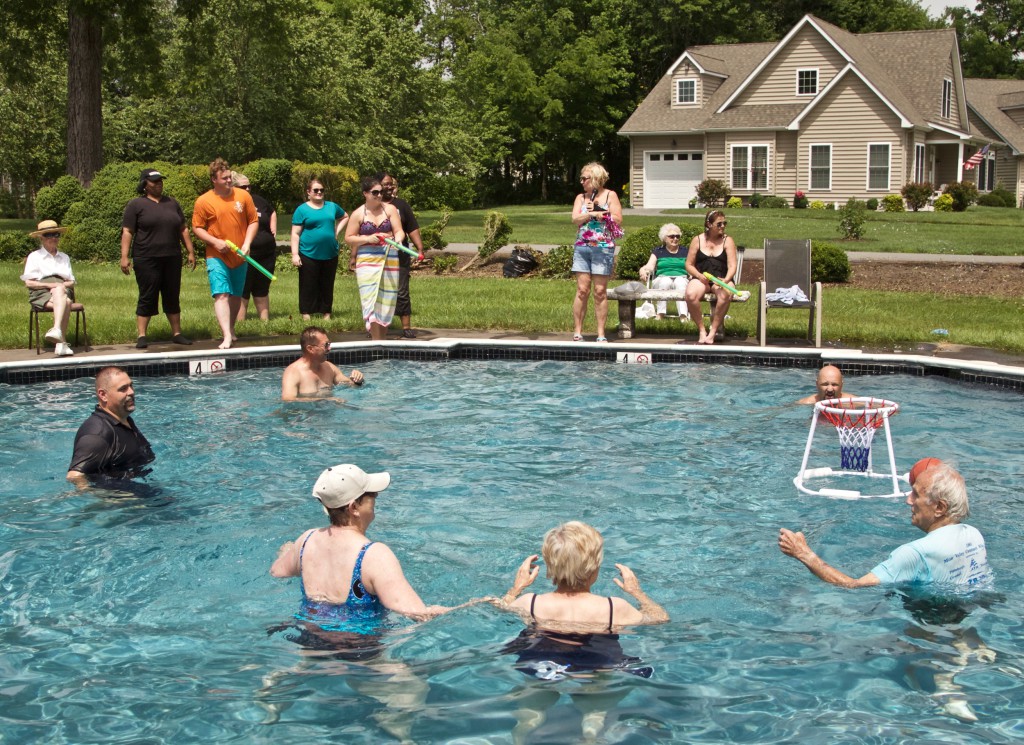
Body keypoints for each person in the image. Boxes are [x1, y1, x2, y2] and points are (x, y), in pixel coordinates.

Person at [498, 521, 668, 742]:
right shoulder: (613, 607)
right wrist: (637, 593)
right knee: (596, 706)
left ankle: (520, 736)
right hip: (596, 661)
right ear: (595, 569)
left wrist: (516, 588)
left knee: (531, 704)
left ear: (549, 567)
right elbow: (660, 618)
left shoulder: (531, 602)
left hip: (541, 659)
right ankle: (590, 734)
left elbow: (502, 606)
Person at [270, 463, 456, 625]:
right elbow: (419, 614)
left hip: (308, 638)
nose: (376, 497)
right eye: (372, 494)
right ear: (354, 508)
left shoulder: (306, 540)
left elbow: (277, 572)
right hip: (359, 648)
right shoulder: (374, 555)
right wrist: (467, 607)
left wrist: (287, 551)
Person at [778, 463, 989, 588]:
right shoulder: (975, 535)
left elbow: (853, 585)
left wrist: (803, 553)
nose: (908, 500)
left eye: (916, 494)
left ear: (940, 507)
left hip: (931, 629)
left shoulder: (914, 553)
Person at [120, 168, 196, 349]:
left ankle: (177, 333)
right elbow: (128, 231)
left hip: (172, 256)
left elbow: (183, 228)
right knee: (148, 295)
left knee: (172, 294)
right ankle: (142, 335)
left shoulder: (172, 203)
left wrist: (190, 251)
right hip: (146, 257)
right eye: (154, 181)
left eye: (160, 180)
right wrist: (124, 256)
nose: (159, 184)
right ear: (144, 184)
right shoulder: (136, 205)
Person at [192, 158, 258, 349]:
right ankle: (226, 335)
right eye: (224, 178)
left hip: (240, 255)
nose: (229, 181)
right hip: (217, 255)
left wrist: (247, 243)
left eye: (230, 177)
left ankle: (231, 328)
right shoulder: (204, 201)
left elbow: (253, 221)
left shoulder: (243, 196)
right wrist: (215, 242)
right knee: (221, 294)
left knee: (236, 295)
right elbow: (197, 228)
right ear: (214, 179)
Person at [67, 366, 155, 485]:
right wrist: (116, 496)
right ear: (103, 395)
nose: (131, 392)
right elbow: (74, 476)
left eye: (131, 385)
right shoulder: (98, 434)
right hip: (126, 493)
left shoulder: (122, 419)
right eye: (123, 389)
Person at [345, 176, 406, 341]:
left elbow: (399, 231)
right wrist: (368, 238)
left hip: (389, 257)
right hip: (367, 260)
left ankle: (382, 341)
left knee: (386, 299)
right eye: (375, 192)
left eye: (381, 192)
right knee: (370, 298)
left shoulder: (390, 209)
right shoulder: (358, 214)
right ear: (365, 193)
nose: (379, 195)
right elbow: (349, 238)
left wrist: (398, 240)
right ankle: (375, 341)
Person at [571, 162, 623, 342]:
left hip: (603, 248)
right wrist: (590, 214)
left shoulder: (610, 195)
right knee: (582, 290)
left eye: (584, 178)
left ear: (595, 178)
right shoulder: (581, 197)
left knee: (600, 291)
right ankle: (578, 331)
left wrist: (602, 212)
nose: (581, 182)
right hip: (582, 247)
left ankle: (601, 333)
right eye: (581, 178)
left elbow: (618, 218)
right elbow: (575, 218)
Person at [290, 178, 348, 321]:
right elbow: (295, 233)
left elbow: (345, 216)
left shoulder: (332, 206)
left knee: (327, 284)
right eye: (316, 190)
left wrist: (336, 231)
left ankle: (326, 313)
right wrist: (295, 254)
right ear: (308, 192)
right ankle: (306, 313)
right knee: (308, 284)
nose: (319, 192)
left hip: (330, 253)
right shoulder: (302, 210)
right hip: (308, 253)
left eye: (322, 190)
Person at [377, 171, 424, 338]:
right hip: (377, 255)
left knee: (402, 290)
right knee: (378, 291)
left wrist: (419, 248)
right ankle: (376, 327)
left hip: (399, 253)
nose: (389, 187)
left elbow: (412, 228)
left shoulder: (401, 205)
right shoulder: (372, 206)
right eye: (386, 184)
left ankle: (406, 327)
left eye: (391, 183)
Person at [21, 220, 77, 357]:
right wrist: (51, 285)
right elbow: (29, 283)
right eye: (48, 235)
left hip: (63, 289)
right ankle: (61, 343)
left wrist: (60, 286)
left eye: (56, 234)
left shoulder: (64, 257)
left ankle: (56, 329)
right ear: (41, 238)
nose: (53, 238)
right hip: (41, 292)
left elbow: (71, 281)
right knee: (66, 302)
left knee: (60, 291)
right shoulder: (34, 257)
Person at [685, 209, 738, 345]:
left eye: (724, 223)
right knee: (690, 295)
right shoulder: (697, 240)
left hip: (722, 278)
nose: (723, 226)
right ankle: (702, 330)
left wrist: (726, 279)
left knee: (725, 294)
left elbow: (732, 266)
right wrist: (699, 275)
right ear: (709, 224)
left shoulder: (728, 241)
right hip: (701, 278)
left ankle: (713, 332)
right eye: (719, 224)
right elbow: (689, 264)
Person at [232, 172, 277, 322]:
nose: (247, 189)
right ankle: (241, 323)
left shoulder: (258, 200)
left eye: (249, 186)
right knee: (243, 289)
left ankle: (265, 322)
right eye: (243, 187)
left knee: (262, 288)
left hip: (267, 253)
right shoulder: (232, 203)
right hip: (246, 254)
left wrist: (273, 229)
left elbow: (272, 212)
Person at [281, 326, 365, 401]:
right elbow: (288, 399)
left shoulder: (329, 367)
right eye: (326, 345)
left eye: (329, 344)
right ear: (310, 349)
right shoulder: (293, 372)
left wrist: (358, 380)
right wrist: (325, 400)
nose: (329, 348)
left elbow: (350, 385)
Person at [638, 223, 689, 321]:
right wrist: (642, 270)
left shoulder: (685, 251)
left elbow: (691, 266)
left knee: (680, 282)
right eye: (672, 236)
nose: (675, 238)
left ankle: (683, 315)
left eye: (677, 236)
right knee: (665, 281)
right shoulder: (658, 251)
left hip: (682, 277)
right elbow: (649, 266)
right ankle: (660, 313)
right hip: (662, 277)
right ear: (665, 238)